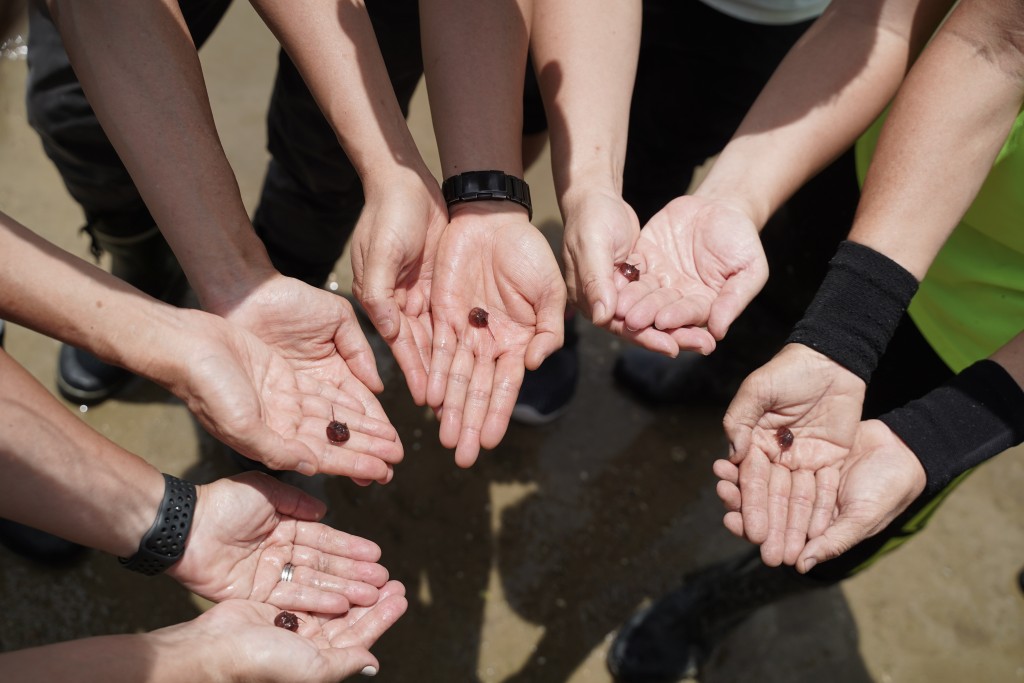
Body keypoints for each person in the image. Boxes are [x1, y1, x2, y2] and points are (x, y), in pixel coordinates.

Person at [602, 0, 1024, 679]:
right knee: (763, 313)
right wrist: (842, 333)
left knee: (847, 518)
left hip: (976, 340)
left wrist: (939, 433)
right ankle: (714, 375)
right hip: (879, 179)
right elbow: (997, 39)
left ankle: (714, 604)